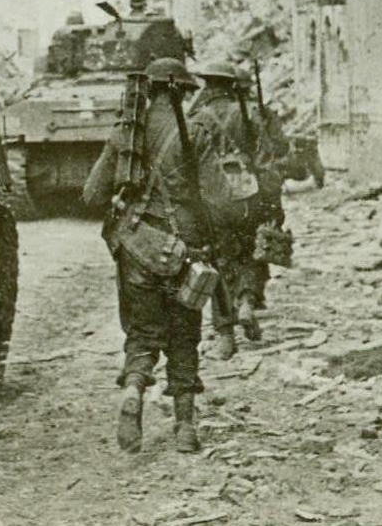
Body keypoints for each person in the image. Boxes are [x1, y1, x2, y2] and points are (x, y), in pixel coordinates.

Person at [83, 57, 227, 455]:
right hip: (186, 251)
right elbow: (220, 199)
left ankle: (132, 391)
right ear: (182, 89)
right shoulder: (195, 132)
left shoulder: (127, 132)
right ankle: (184, 426)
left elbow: (91, 194)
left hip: (136, 248)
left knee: (143, 333)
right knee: (184, 335)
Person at [188, 61, 289, 359]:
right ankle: (246, 299)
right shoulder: (249, 116)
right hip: (249, 195)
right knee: (251, 252)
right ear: (232, 85)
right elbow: (267, 162)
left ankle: (225, 336)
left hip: (213, 202)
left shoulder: (196, 119)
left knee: (218, 262)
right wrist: (272, 204)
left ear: (208, 86)